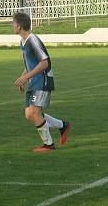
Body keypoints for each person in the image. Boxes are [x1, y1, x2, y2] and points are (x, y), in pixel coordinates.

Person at [12, 12, 71, 152]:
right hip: (34, 81)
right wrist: (22, 78)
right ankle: (63, 125)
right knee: (29, 114)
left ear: (19, 26)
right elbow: (31, 64)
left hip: (42, 80)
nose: (12, 26)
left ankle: (49, 145)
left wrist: (26, 77)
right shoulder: (23, 42)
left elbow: (44, 63)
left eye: (13, 24)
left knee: (33, 113)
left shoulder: (33, 40)